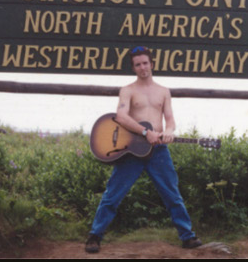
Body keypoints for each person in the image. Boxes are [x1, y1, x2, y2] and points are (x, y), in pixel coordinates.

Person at [85, 46, 202, 253]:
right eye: (138, 64)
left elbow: (170, 119)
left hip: (158, 150)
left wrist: (170, 131)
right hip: (132, 150)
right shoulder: (128, 90)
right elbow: (121, 117)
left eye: (145, 63)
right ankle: (94, 236)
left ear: (152, 64)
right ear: (134, 67)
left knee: (172, 194)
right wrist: (144, 132)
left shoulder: (163, 91)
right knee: (113, 195)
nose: (142, 67)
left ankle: (187, 236)